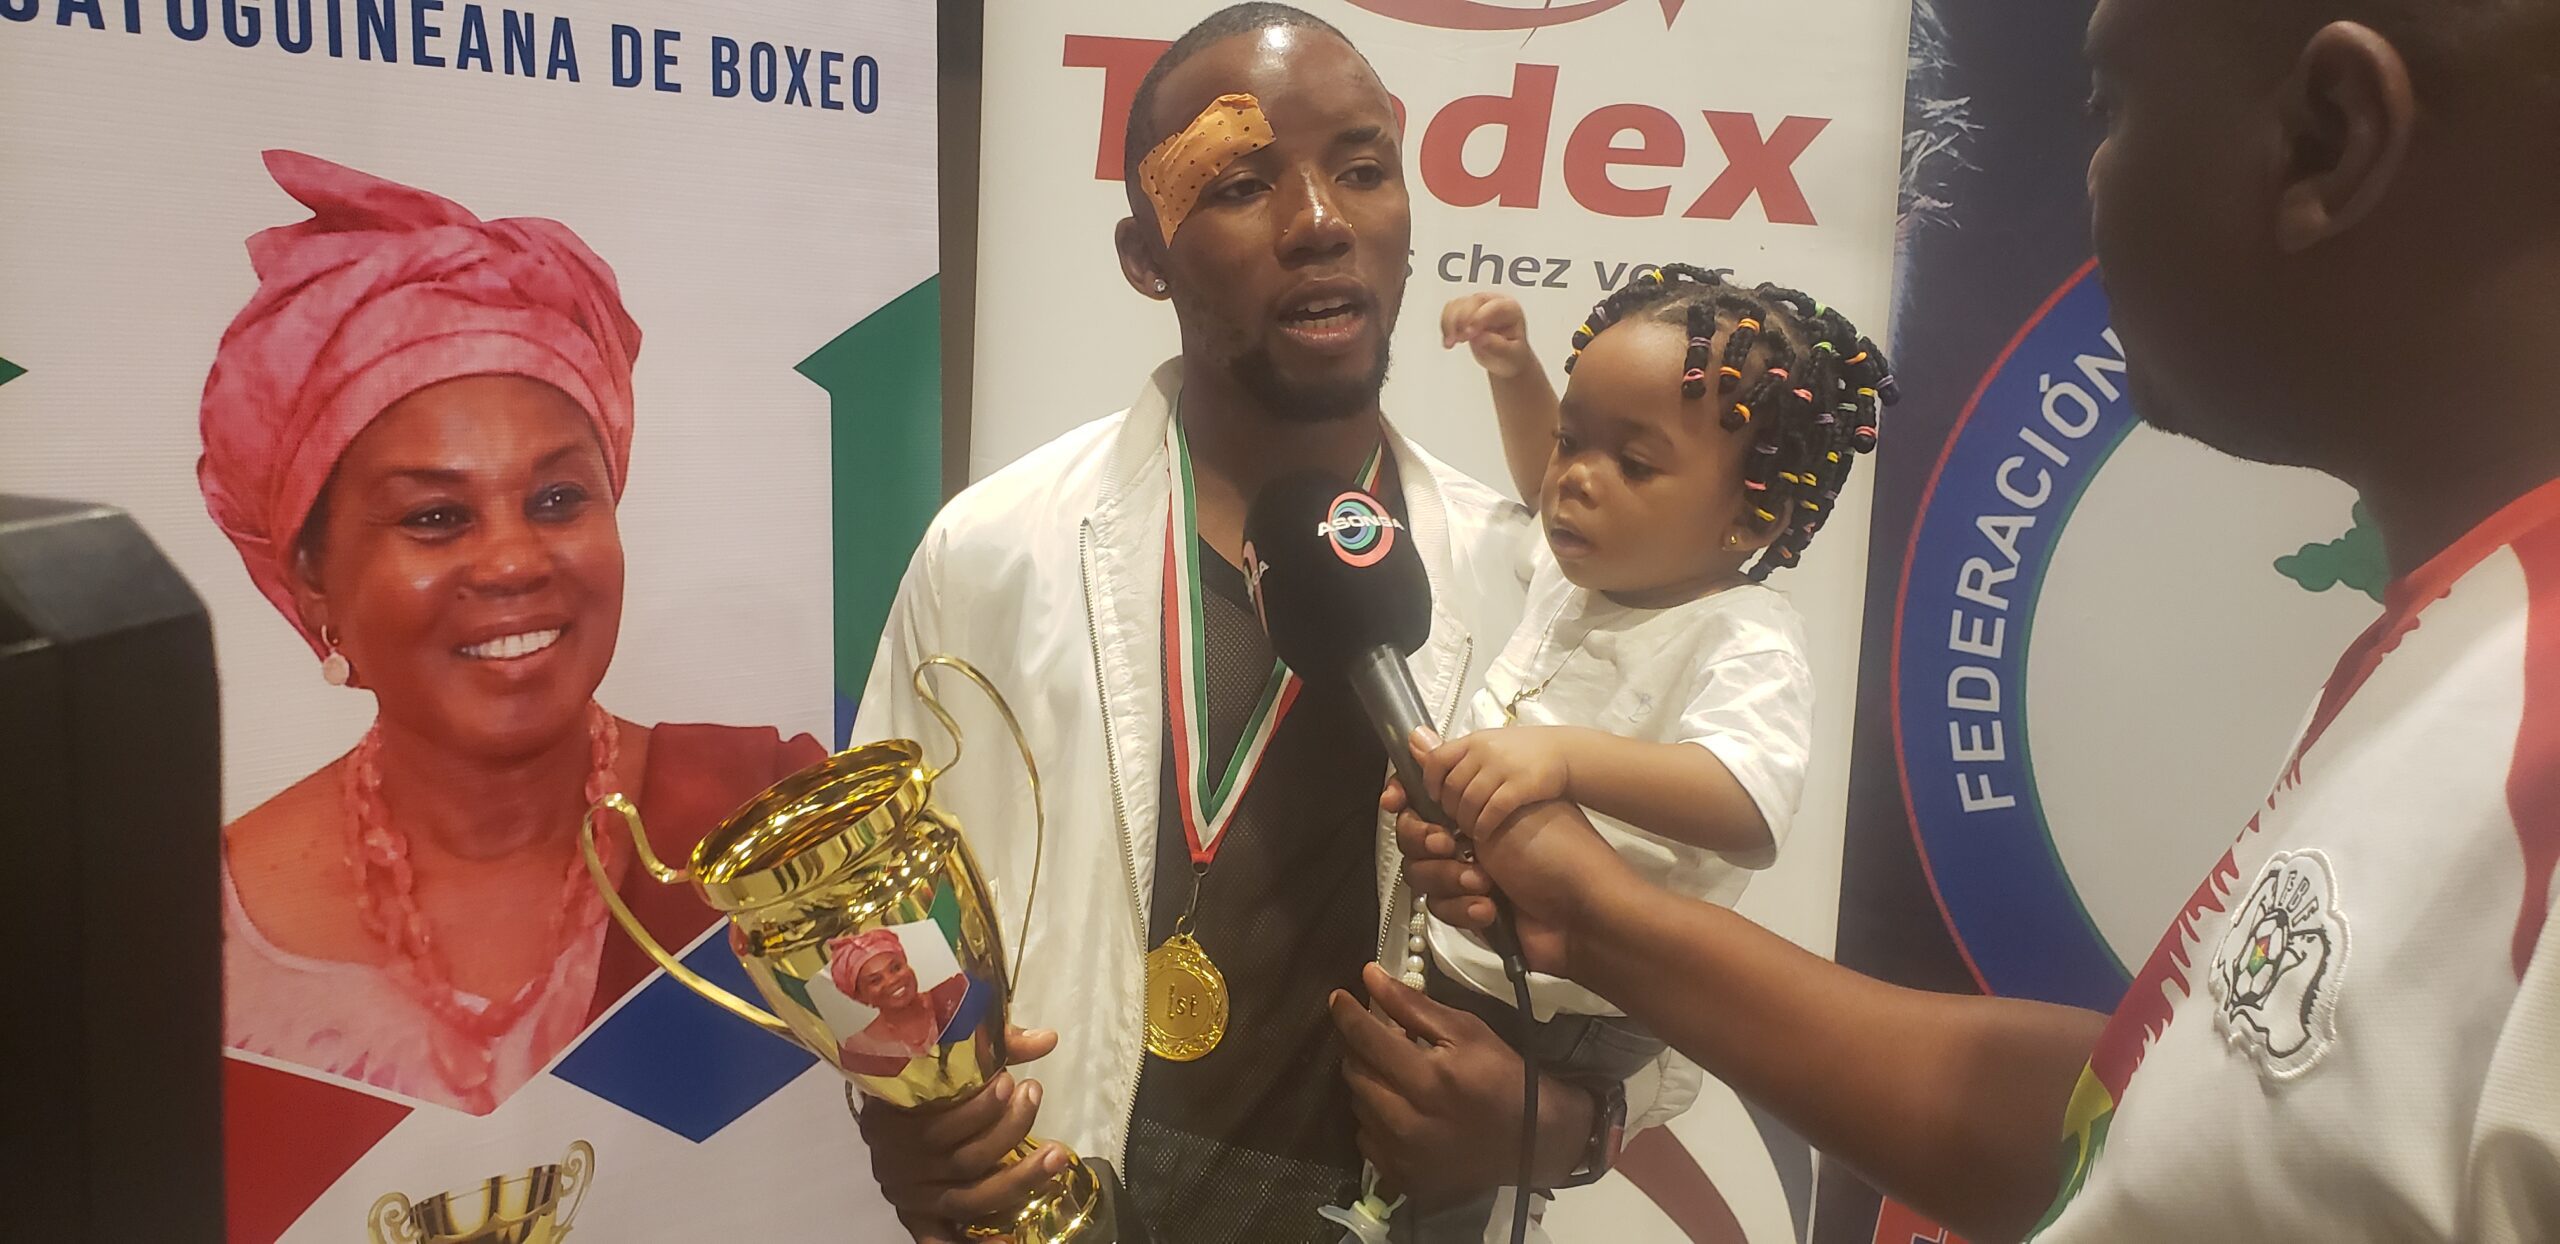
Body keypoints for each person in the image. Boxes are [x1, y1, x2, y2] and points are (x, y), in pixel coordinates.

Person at [1395, 0, 2560, 1240]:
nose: (2091, 177)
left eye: (2109, 107)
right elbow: (2153, 1115)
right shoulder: (2447, 653)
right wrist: (1590, 912)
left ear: (2329, 138)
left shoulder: (2526, 743)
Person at [840, 7, 1700, 1242]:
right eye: (1242, 184)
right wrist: (906, 1109)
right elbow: (876, 908)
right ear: (1145, 256)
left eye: (1362, 169)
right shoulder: (997, 550)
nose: (1319, 222)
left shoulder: (1531, 585)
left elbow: (1680, 952)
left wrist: (1562, 1124)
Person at [201, 150, 825, 1116]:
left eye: (559, 499)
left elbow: (918, 1086)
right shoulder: (197, 941)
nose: (512, 562)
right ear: (312, 575)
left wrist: (943, 1145)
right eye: (436, 517)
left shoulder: (768, 817)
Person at [1404, 270, 1891, 1241]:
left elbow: (1747, 802)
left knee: (1448, 1182)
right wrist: (1515, 371)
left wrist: (1564, 760)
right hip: (1475, 949)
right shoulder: (1581, 571)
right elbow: (1538, 482)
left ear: (1749, 517)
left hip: (1575, 1003)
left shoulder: (1741, 634)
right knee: (1397, 1141)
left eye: (1632, 462)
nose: (1575, 479)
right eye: (1570, 440)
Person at [829, 929, 975, 1075]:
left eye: (896, 968)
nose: (892, 981)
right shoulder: (859, 1050)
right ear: (860, 997)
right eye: (875, 981)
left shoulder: (955, 995)